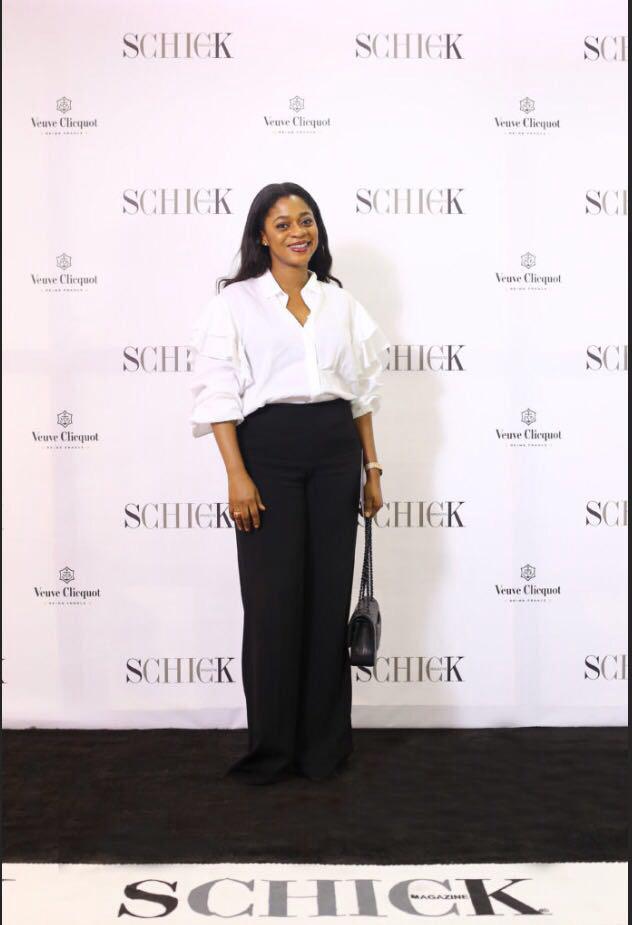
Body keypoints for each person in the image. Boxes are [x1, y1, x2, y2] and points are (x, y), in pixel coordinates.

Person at [188, 182, 391, 784]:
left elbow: (361, 395)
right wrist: (237, 475)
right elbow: (218, 394)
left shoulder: (339, 302)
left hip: (334, 451)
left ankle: (324, 749)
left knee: (328, 602)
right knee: (273, 604)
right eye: (282, 224)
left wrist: (371, 468)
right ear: (262, 235)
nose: (298, 232)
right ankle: (273, 750)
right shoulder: (236, 303)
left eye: (306, 220)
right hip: (268, 453)